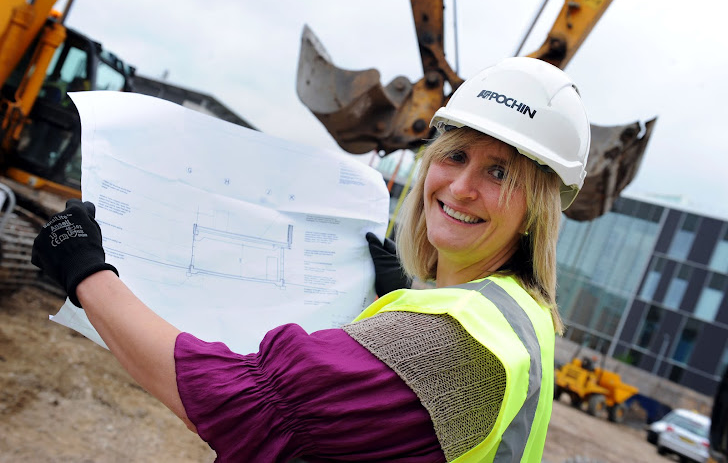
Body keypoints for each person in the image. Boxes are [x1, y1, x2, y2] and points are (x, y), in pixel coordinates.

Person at [31, 57, 590, 462]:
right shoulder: (521, 313)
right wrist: (409, 295)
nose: (461, 188)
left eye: (499, 173)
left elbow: (247, 406)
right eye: (457, 155)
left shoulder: (458, 340)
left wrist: (88, 272)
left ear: (538, 209)